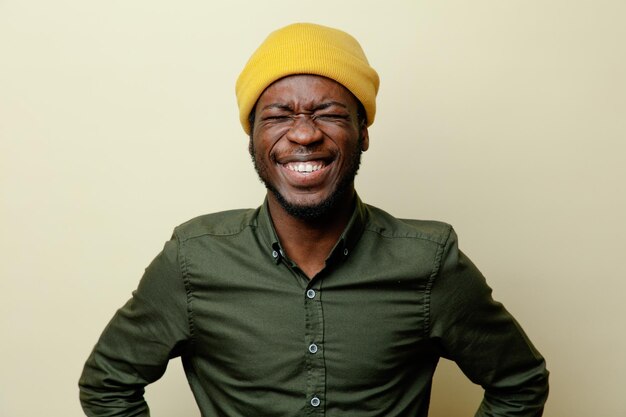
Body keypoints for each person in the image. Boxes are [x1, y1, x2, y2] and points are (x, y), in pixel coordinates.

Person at [79, 23, 549, 417]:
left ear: (363, 133)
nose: (303, 133)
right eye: (279, 115)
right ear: (254, 139)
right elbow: (107, 385)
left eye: (328, 113)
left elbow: (519, 383)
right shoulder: (193, 258)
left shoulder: (428, 261)